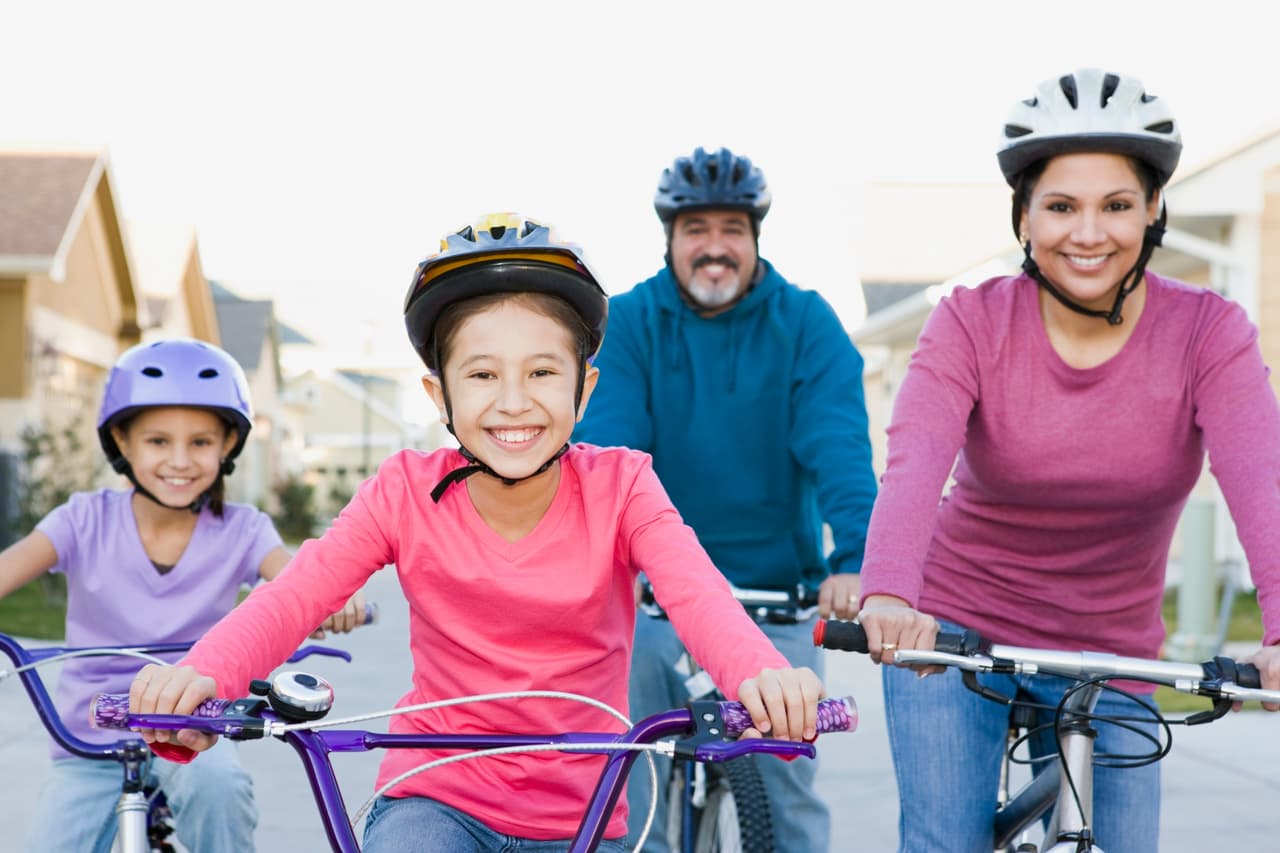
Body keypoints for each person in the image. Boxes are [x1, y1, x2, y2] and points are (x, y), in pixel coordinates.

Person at [127, 213, 826, 853]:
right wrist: (202, 675)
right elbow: (296, 595)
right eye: (483, 373)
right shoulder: (403, 489)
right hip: (437, 795)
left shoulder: (623, 485)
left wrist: (761, 676)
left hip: (587, 811)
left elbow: (697, 594)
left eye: (543, 372)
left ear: (584, 391)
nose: (514, 401)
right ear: (441, 395)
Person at [854, 67, 1280, 853]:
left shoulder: (1209, 335)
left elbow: (1262, 477)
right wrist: (887, 592)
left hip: (1110, 650)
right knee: (945, 840)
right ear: (1023, 217)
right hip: (953, 636)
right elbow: (915, 465)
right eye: (1061, 206)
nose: (1089, 233)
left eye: (1116, 205)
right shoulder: (969, 323)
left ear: (1153, 211)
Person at [573, 146, 877, 853]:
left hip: (777, 592)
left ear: (756, 237)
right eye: (696, 229)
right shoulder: (626, 323)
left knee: (785, 776)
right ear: (670, 238)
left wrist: (856, 557)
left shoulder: (806, 323)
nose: (715, 247)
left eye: (732, 229)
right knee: (631, 769)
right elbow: (615, 456)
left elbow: (838, 447)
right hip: (654, 593)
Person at [0, 338, 365, 853]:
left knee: (222, 790)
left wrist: (333, 601)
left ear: (228, 446)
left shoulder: (243, 529)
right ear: (122, 443)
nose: (180, 460)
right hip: (90, 741)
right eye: (157, 441)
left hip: (194, 729)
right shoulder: (82, 520)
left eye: (200, 442)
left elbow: (297, 582)